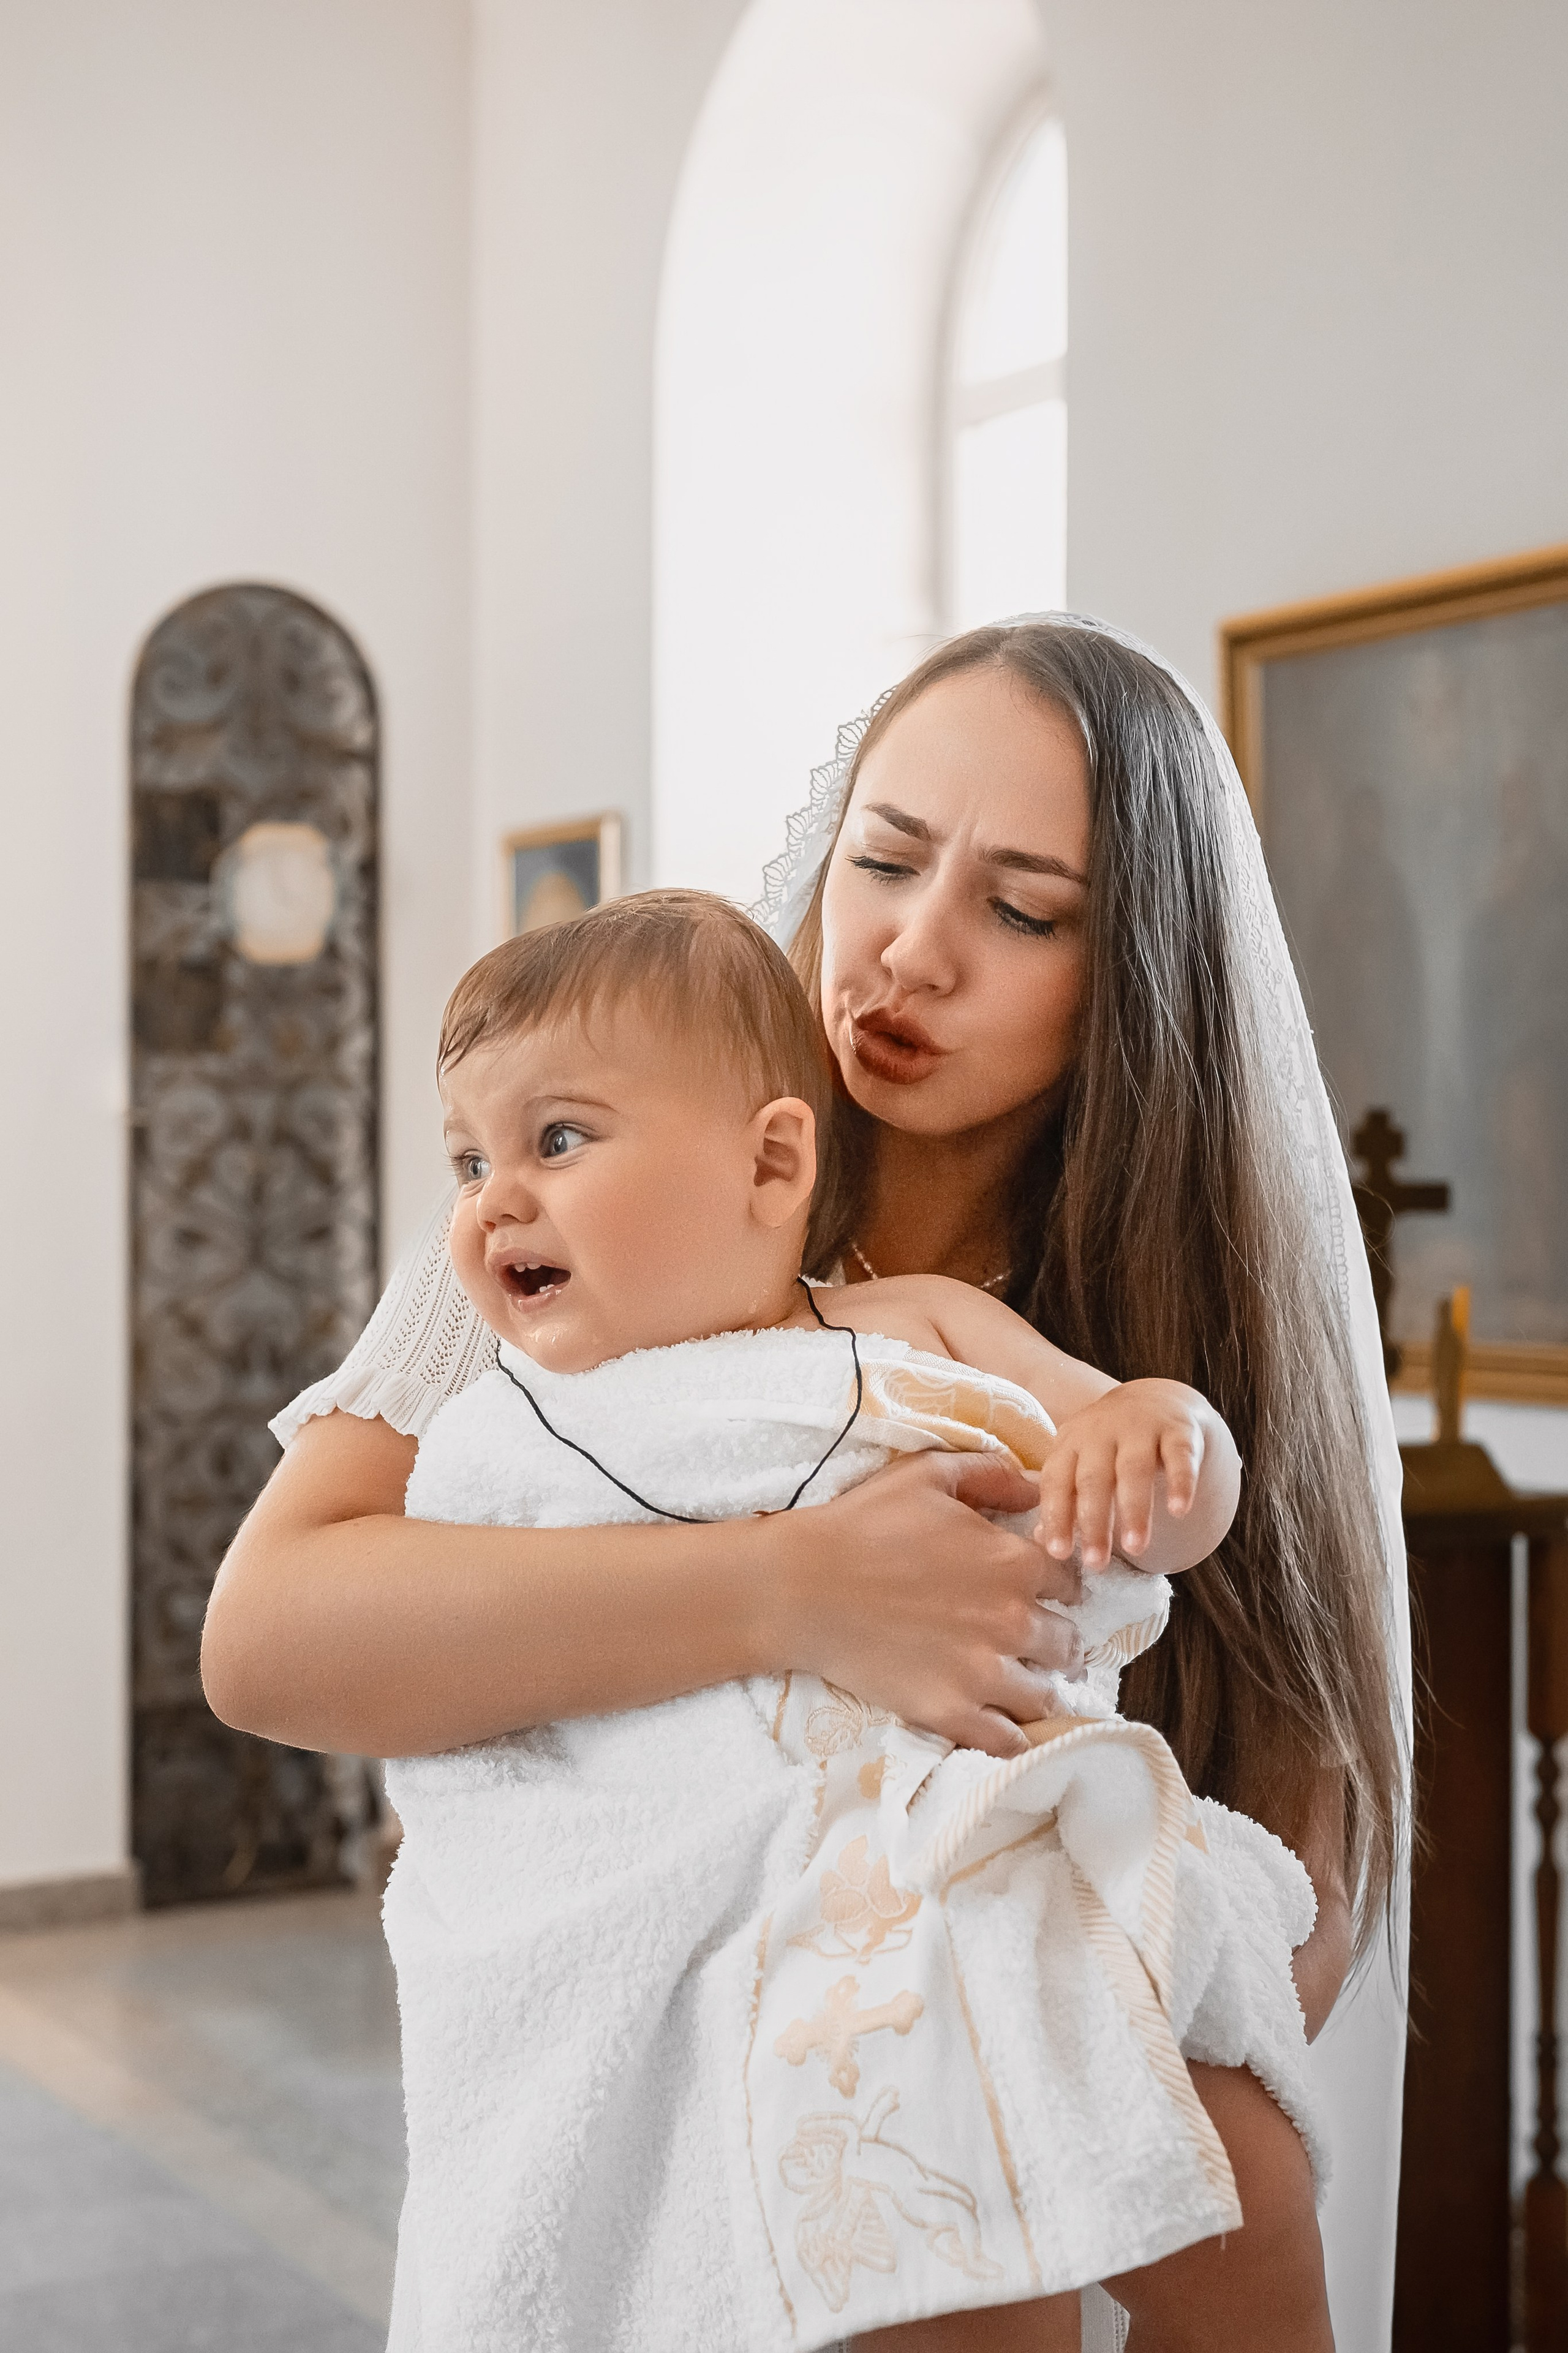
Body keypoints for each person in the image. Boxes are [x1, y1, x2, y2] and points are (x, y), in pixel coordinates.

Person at [203, 617, 1408, 2351]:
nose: (910, 953)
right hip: (624, 1978)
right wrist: (793, 1590)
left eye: (1023, 909)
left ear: (1136, 968)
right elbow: (269, 1635)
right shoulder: (591, 1184)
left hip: (949, 2002)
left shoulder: (1139, 1317)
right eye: (888, 858)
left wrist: (1037, 2042)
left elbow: (1306, 1836)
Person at [382, 888, 1321, 2352]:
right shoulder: (505, 1439)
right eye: (467, 1157)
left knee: (1243, 2178)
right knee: (927, 2248)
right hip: (722, 1925)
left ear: (770, 1159)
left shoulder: (913, 1327)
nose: (493, 1196)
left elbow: (1156, 1485)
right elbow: (454, 1699)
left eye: (555, 1139)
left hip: (972, 1858)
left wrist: (1157, 1431)